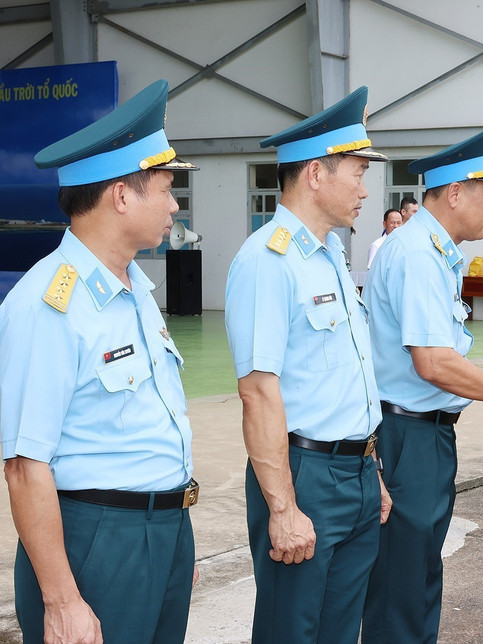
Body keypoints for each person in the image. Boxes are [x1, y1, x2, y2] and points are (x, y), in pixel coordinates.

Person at [0, 79, 200, 643]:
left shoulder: (134, 287)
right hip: (98, 543)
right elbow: (23, 466)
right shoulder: (49, 304)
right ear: (120, 195)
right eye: (165, 188)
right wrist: (62, 599)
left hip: (165, 531)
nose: (174, 204)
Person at [362, 124, 483, 643]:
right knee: (403, 581)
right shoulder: (417, 253)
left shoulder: (437, 253)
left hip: (425, 433)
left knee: (418, 573)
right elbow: (434, 363)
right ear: (455, 192)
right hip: (406, 436)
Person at [224, 86, 390, 643]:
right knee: (291, 629)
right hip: (305, 475)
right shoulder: (268, 261)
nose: (366, 190)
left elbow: (345, 381)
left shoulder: (331, 256)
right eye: (358, 173)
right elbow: (258, 392)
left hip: (357, 471)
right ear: (316, 174)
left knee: (341, 630)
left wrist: (372, 471)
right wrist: (283, 507)